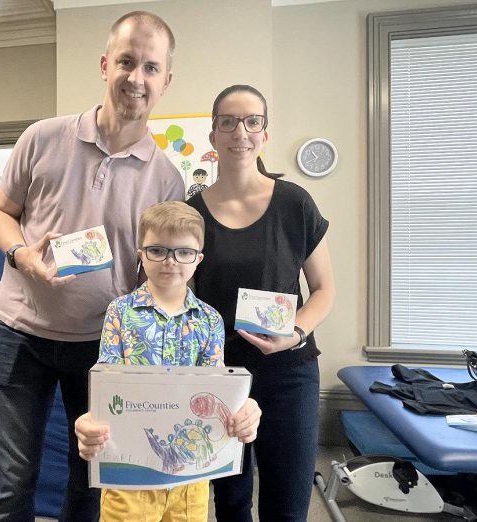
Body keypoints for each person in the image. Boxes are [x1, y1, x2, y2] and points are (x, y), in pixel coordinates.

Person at [0, 12, 185, 522]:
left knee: (93, 480)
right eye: (125, 61)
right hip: (19, 333)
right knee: (11, 480)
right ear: (104, 65)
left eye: (150, 67)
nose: (135, 78)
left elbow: (154, 277)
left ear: (165, 81)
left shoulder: (167, 180)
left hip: (103, 346)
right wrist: (20, 255)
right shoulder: (42, 137)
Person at [186, 85, 335, 522]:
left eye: (253, 121)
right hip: (221, 376)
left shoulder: (295, 203)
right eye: (228, 121)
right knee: (230, 503)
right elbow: (181, 295)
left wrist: (294, 334)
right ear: (213, 135)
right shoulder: (190, 213)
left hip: (289, 373)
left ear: (265, 134)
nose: (241, 131)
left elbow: (324, 289)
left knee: (287, 502)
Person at [74, 201, 262, 522]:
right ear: (140, 254)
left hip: (190, 480)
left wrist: (244, 409)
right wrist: (91, 421)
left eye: (184, 252)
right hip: (130, 474)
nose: (170, 261)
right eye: (157, 250)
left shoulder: (209, 320)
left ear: (198, 259)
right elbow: (108, 383)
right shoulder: (120, 311)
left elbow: (214, 391)